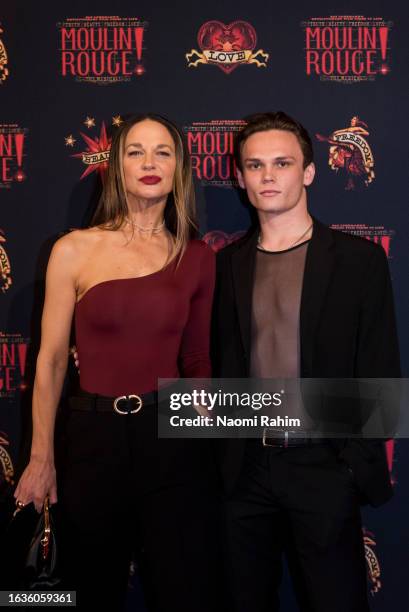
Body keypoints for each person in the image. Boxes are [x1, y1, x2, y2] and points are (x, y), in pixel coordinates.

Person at [13, 113, 222, 611]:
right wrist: (42, 459)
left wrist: (204, 429)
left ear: (180, 168)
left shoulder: (196, 257)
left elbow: (195, 357)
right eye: (135, 152)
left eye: (163, 152)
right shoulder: (74, 249)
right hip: (92, 439)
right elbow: (50, 363)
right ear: (116, 167)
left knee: (181, 589)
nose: (149, 163)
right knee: (90, 588)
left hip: (169, 440)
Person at [211, 112, 400, 611]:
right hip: (244, 468)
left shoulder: (359, 260)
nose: (268, 175)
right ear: (239, 178)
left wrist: (349, 468)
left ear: (309, 172)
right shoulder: (227, 264)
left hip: (324, 464)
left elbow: (380, 369)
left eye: (282, 163)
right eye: (255, 165)